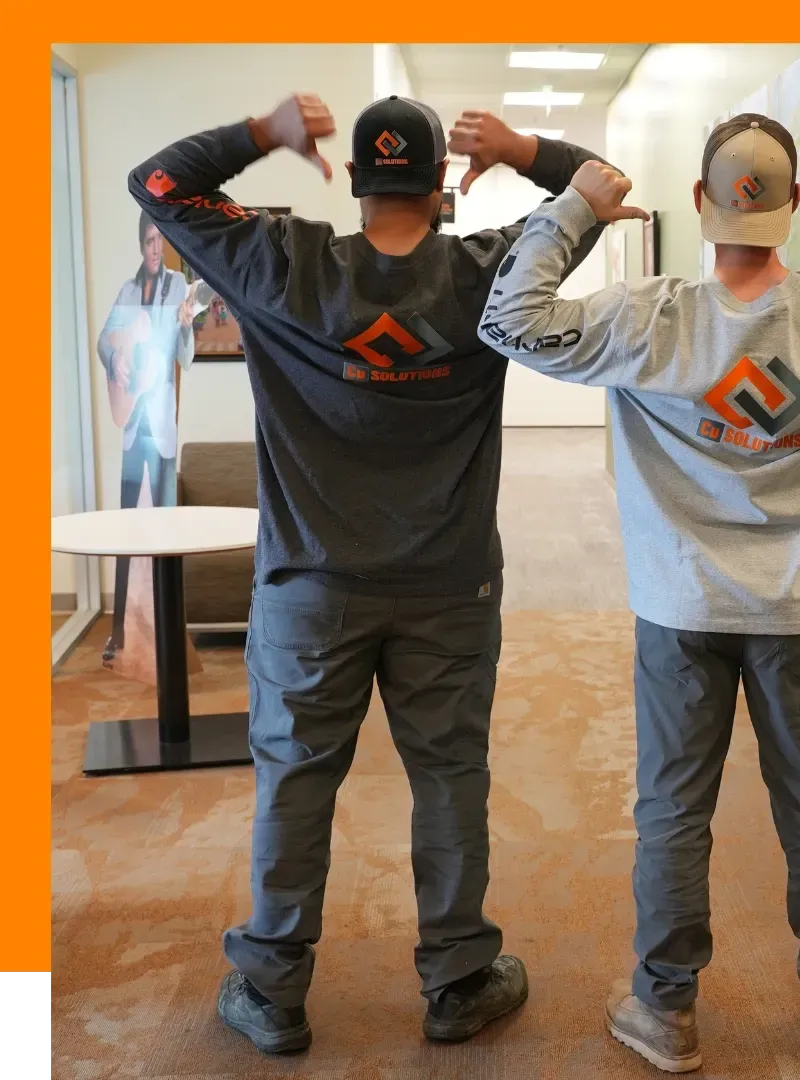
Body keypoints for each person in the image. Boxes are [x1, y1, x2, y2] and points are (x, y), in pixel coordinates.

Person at [479, 113, 800, 1072]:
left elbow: (506, 320)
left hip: (679, 613)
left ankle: (666, 1011)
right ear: (798, 204)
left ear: (697, 201)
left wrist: (575, 213)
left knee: (672, 813)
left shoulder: (648, 316)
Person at [128, 92, 607, 1054]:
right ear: (441, 187)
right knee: (450, 779)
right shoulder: (488, 269)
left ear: (352, 180)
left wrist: (260, 134)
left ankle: (271, 991)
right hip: (451, 586)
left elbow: (158, 184)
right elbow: (601, 186)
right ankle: (460, 979)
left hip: (309, 586)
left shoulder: (283, 261)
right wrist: (519, 149)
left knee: (296, 782)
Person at [97, 211, 196, 662]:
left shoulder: (180, 288)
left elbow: (185, 358)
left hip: (162, 430)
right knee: (126, 533)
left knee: (167, 537)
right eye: (150, 240)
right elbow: (104, 341)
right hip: (132, 424)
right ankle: (118, 632)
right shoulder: (128, 289)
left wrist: (184, 325)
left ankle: (169, 632)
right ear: (141, 245)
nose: (156, 249)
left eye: (161, 241)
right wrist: (115, 359)